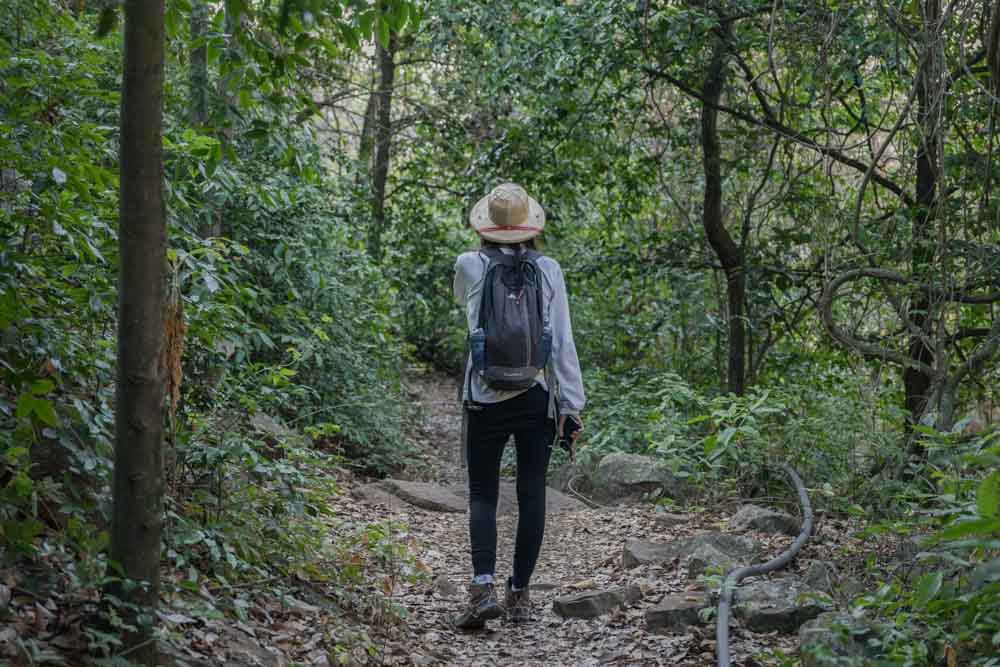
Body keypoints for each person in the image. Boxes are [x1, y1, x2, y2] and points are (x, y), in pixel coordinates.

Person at [452, 183, 585, 628]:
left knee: (483, 493)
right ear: (530, 226)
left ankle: (481, 587)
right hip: (535, 396)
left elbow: (465, 308)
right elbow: (562, 341)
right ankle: (519, 595)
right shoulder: (549, 269)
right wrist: (571, 405)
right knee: (531, 497)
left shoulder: (469, 264)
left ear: (486, 227)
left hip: (484, 397)